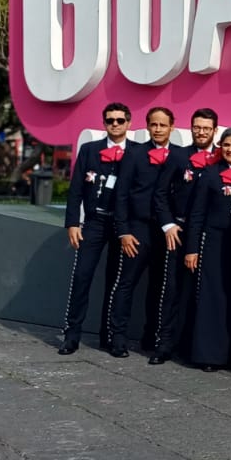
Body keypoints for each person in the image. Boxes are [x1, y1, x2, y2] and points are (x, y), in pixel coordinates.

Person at [59, 103, 139, 355]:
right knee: (81, 276)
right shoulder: (90, 149)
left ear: (128, 123)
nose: (114, 124)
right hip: (94, 222)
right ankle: (71, 336)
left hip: (123, 226)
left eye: (119, 120)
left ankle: (113, 338)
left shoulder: (138, 152)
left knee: (117, 282)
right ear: (104, 123)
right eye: (110, 120)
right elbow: (75, 190)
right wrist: (72, 222)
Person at [148, 108, 220, 365]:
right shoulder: (178, 156)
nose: (201, 132)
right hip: (179, 232)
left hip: (208, 236)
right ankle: (164, 344)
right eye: (197, 127)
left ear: (214, 131)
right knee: (172, 290)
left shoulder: (222, 159)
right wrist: (168, 224)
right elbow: (160, 194)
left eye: (206, 128)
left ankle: (195, 347)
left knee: (202, 292)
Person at [181, 127, 231, 371]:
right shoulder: (211, 175)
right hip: (214, 244)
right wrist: (192, 249)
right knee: (212, 298)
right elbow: (197, 214)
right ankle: (210, 356)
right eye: (226, 145)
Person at [109, 106, 176, 358]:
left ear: (172, 127)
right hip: (138, 229)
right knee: (126, 283)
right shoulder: (134, 154)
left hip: (166, 232)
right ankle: (118, 337)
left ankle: (151, 336)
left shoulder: (179, 156)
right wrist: (123, 231)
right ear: (147, 126)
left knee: (160, 287)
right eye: (154, 124)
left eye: (163, 125)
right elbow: (121, 194)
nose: (158, 129)